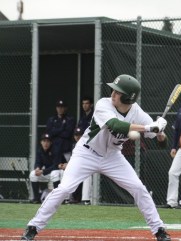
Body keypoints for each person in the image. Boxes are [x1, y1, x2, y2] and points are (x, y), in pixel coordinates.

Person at [21, 74, 171, 241]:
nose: (113, 93)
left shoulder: (137, 113)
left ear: (128, 98)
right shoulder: (103, 104)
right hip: (86, 153)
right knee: (64, 189)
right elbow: (115, 124)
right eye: (113, 89)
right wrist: (149, 127)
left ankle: (159, 230)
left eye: (118, 92)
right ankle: (33, 227)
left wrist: (160, 132)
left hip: (113, 157)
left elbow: (162, 144)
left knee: (138, 188)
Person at [29, 133, 64, 204]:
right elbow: (38, 162)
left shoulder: (55, 149)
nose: (46, 143)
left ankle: (57, 199)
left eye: (48, 141)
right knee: (33, 174)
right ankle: (37, 198)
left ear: (51, 142)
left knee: (55, 173)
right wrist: (37, 168)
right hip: (47, 172)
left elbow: (56, 166)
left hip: (60, 172)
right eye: (44, 141)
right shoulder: (40, 150)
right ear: (41, 142)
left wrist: (43, 171)